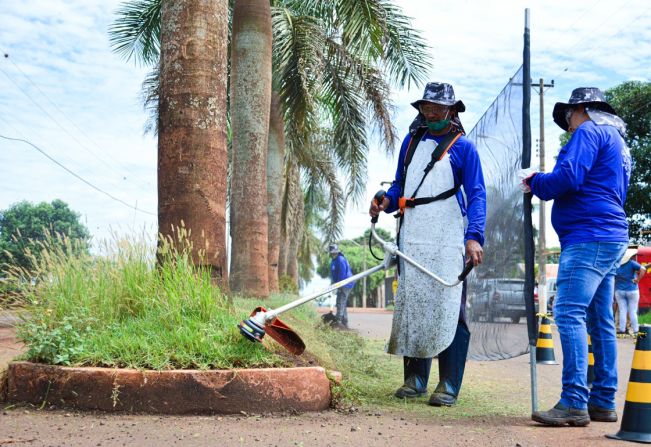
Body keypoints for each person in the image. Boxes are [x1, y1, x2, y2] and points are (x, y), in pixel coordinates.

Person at [369, 82, 486, 407]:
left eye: (437, 107)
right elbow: (399, 188)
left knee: (451, 308)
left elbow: (476, 194)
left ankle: (448, 384)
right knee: (414, 305)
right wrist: (384, 201)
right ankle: (415, 380)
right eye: (426, 106)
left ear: (451, 110)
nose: (431, 112)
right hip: (413, 236)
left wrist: (474, 236)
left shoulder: (464, 148)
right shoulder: (410, 142)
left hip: (447, 238)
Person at [520, 87, 632, 426]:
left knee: (568, 312)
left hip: (588, 236)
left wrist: (535, 181)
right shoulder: (619, 142)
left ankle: (573, 401)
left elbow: (569, 177)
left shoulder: (589, 131)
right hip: (611, 236)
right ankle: (602, 401)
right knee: (601, 321)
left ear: (582, 109)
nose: (569, 125)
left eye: (569, 117)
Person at [615, 248, 646, 336]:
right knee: (632, 311)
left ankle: (621, 330)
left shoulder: (617, 265)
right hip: (632, 290)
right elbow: (643, 269)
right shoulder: (631, 263)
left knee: (622, 311)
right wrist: (638, 280)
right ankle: (636, 331)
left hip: (619, 290)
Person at [328, 244, 355, 328]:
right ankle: (345, 323)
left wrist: (339, 286)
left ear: (337, 252)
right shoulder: (333, 260)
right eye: (332, 253)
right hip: (339, 284)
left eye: (335, 252)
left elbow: (342, 275)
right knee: (341, 302)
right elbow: (334, 275)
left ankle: (338, 322)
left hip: (346, 284)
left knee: (340, 302)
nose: (333, 254)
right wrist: (333, 285)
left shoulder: (340, 259)